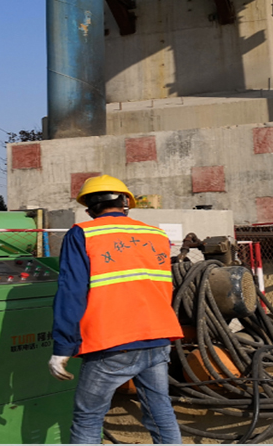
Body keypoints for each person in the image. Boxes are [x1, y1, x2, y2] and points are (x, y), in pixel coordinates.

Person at [49, 174, 182, 444]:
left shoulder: (83, 233)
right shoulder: (156, 235)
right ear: (125, 202)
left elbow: (71, 291)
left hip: (111, 342)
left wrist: (62, 348)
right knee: (160, 413)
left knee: (88, 417)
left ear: (89, 208)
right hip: (157, 338)